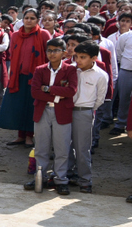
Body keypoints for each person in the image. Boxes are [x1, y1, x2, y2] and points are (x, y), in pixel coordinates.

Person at [24, 38, 78, 195]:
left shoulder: (70, 70)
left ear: (64, 52)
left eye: (56, 50)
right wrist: (56, 95)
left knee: (62, 148)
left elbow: (71, 91)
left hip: (62, 112)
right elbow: (35, 92)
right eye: (49, 50)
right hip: (43, 111)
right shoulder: (40, 69)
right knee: (41, 147)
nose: (52, 54)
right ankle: (40, 177)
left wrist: (47, 89)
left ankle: (60, 179)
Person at [0, 9, 51, 148]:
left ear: (37, 20)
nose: (29, 20)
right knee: (18, 106)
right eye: (26, 17)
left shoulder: (44, 34)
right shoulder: (15, 35)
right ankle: (20, 136)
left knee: (31, 107)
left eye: (32, 18)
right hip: (18, 77)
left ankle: (29, 136)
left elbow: (49, 55)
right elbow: (13, 54)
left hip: (36, 77)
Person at [69, 41, 108, 193]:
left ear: (94, 58)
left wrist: (88, 110)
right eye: (76, 56)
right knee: (65, 144)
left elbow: (100, 99)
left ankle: (85, 179)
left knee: (82, 147)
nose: (78, 60)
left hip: (84, 112)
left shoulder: (101, 75)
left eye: (83, 57)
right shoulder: (70, 70)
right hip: (66, 110)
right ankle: (67, 173)